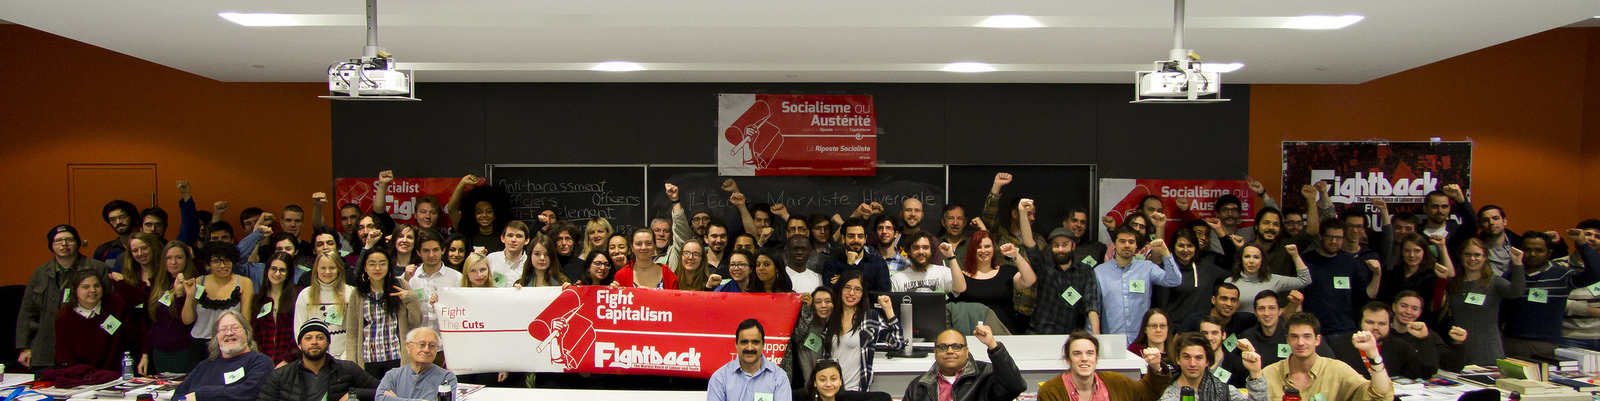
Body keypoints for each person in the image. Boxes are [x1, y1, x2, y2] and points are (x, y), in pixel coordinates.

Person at [19, 225, 111, 371]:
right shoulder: (40, 272)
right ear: (51, 245)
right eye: (58, 241)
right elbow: (27, 311)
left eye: (69, 240)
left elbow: (111, 308)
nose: (64, 244)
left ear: (77, 243)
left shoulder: (97, 268)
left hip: (84, 350)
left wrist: (104, 340)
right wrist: (24, 347)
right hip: (45, 351)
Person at [1502, 230, 1600, 358]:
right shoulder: (1510, 275)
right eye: (1527, 250)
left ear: (1549, 253)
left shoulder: (1562, 276)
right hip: (1510, 341)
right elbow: (1500, 310)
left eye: (1539, 250)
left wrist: (1582, 244)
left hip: (1544, 344)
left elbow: (1595, 274)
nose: (1532, 254)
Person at [1260, 313, 1394, 401]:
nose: (1300, 342)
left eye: (1307, 336)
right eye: (1294, 337)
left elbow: (1380, 395)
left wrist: (1373, 355)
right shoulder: (1269, 373)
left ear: (1317, 340)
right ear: (1288, 340)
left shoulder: (1337, 370)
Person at [1444, 238, 1524, 365]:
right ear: (1461, 256)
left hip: (1488, 351)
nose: (1472, 258)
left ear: (1485, 257)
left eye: (1477, 255)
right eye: (1467, 254)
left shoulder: (1494, 282)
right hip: (1459, 348)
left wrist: (1518, 264)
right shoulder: (1453, 284)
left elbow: (1516, 292)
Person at [1095, 226, 1183, 339]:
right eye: (1122, 241)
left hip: (1140, 339)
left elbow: (1174, 280)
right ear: (1114, 244)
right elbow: (1094, 309)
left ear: (1136, 245)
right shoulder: (1100, 272)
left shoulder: (1147, 268)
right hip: (1112, 339)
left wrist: (1165, 253)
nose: (1127, 245)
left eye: (1131, 242)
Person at [257, 322, 382, 401]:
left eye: (320, 338)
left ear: (328, 344)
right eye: (308, 338)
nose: (314, 342)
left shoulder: (347, 369)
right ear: (299, 345)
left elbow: (383, 390)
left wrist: (354, 394)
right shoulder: (281, 375)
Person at [826, 270, 906, 391]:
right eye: (847, 287)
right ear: (840, 289)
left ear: (863, 293)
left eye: (857, 289)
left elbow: (898, 343)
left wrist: (889, 310)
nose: (851, 293)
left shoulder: (870, 318)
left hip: (856, 390)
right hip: (830, 390)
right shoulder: (830, 317)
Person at [352, 246, 424, 378]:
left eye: (382, 263)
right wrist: (352, 364)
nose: (377, 268)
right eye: (372, 264)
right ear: (365, 267)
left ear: (389, 266)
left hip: (396, 355)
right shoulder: (357, 293)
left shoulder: (400, 285)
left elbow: (415, 322)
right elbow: (352, 333)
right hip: (368, 358)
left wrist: (411, 299)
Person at [902, 324, 1024, 401]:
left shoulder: (986, 375)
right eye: (943, 347)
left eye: (957, 347)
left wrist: (993, 346)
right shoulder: (919, 386)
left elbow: (1015, 387)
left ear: (966, 352)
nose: (950, 351)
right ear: (935, 352)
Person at [1038, 331, 1170, 401]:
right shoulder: (1051, 391)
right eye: (1077, 353)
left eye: (1090, 353)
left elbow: (1147, 393)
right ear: (1068, 359)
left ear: (1096, 359)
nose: (1084, 358)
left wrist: (1155, 367)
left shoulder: (1116, 382)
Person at [174, 311, 276, 401]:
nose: (229, 333)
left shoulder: (260, 362)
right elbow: (179, 393)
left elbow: (249, 392)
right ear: (216, 337)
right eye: (223, 330)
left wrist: (201, 396)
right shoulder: (205, 366)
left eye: (235, 328)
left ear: (247, 333)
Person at [948, 230, 1037, 332]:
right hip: (971, 333)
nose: (983, 250)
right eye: (978, 247)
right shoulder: (961, 278)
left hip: (1003, 333)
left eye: (987, 246)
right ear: (972, 250)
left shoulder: (1006, 272)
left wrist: (1015, 254)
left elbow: (1030, 280)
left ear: (993, 249)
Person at [1297, 219, 1373, 336]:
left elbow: (1361, 296)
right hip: (1314, 329)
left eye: (1338, 238)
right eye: (1330, 237)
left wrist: (1377, 275)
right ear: (1321, 236)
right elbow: (1299, 297)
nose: (1334, 241)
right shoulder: (1306, 261)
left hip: (1345, 329)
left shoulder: (1350, 263)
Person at [186, 241, 257, 367]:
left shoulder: (244, 283)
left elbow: (245, 321)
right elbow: (187, 320)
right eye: (216, 261)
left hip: (230, 343)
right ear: (208, 264)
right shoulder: (199, 282)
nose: (222, 265)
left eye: (227, 260)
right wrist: (189, 296)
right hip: (199, 345)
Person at [1326, 302, 1434, 380]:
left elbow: (1426, 372)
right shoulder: (1340, 344)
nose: (1375, 327)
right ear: (1360, 323)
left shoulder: (1400, 346)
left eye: (1382, 324)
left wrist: (1423, 340)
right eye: (1370, 322)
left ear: (1389, 325)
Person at [1027, 227, 1101, 334]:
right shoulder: (1044, 267)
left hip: (1068, 335)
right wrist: (1023, 216)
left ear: (1073, 246)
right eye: (1056, 245)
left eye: (1065, 245)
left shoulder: (1085, 271)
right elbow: (1030, 244)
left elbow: (1091, 304)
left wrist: (1096, 335)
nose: (1060, 249)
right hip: (1038, 332)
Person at [53, 270, 132, 370]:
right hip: (81, 374)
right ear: (74, 289)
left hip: (115, 373)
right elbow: (64, 354)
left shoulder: (115, 303)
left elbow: (140, 300)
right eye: (86, 287)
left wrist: (123, 284)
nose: (93, 290)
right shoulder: (64, 316)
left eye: (97, 286)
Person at [144, 241, 201, 375]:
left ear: (187, 260)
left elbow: (187, 320)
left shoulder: (195, 284)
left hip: (183, 352)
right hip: (159, 352)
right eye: (168, 258)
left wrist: (180, 294)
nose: (173, 262)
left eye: (179, 257)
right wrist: (145, 354)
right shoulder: (160, 283)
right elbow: (156, 322)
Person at [1155, 228, 1229, 329]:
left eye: (1190, 246)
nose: (1185, 250)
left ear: (1196, 248)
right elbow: (1161, 306)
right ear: (1173, 247)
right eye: (1181, 245)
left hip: (1202, 329)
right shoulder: (1165, 270)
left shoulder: (1208, 269)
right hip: (1174, 329)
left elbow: (1233, 270)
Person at [1159, 333, 1267, 401]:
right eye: (1187, 357)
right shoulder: (1162, 391)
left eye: (1199, 358)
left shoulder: (1225, 392)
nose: (1192, 363)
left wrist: (1255, 372)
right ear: (1178, 359)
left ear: (1207, 361)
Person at [707, 319, 791, 401]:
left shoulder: (779, 378)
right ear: (736, 345)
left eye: (755, 342)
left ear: (763, 345)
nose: (750, 348)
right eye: (744, 342)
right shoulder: (720, 378)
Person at [295, 251, 358, 360]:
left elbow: (355, 331)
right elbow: (299, 330)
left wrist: (345, 358)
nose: (327, 272)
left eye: (332, 268)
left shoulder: (350, 293)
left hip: (345, 358)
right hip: (314, 358)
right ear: (316, 269)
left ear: (339, 269)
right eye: (323, 268)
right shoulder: (305, 295)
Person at [1388, 291, 1465, 372]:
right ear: (1394, 307)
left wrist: (1459, 343)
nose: (1408, 312)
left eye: (1414, 309)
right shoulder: (1382, 332)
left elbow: (1453, 366)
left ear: (1419, 313)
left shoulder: (1427, 335)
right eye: (1403, 306)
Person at [375, 327, 457, 401]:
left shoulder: (446, 378)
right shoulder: (393, 375)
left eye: (432, 346)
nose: (426, 350)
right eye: (422, 345)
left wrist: (395, 399)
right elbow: (379, 398)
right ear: (408, 346)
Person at [1223, 243, 1311, 310]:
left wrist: (1295, 255)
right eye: (1247, 256)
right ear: (1241, 259)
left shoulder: (1273, 280)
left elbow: (1305, 280)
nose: (1251, 261)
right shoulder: (1229, 282)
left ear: (1262, 261)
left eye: (1256, 257)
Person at [404, 230, 460, 331]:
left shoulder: (457, 278)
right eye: (426, 251)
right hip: (418, 336)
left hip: (447, 336)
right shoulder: (410, 278)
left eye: (435, 250)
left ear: (443, 250)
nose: (431, 255)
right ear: (418, 252)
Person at [782, 288, 835, 392]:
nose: (823, 305)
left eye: (828, 301)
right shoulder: (806, 326)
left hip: (834, 385)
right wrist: (806, 309)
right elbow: (797, 337)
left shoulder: (839, 327)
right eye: (818, 302)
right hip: (809, 388)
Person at [253, 252, 301, 365]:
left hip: (292, 361)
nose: (277, 273)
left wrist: (286, 360)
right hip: (265, 361)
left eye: (282, 270)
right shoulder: (259, 299)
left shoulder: (298, 295)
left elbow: (299, 332)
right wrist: (262, 359)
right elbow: (255, 333)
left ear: (289, 272)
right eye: (273, 269)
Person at [821, 218, 892, 293]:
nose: (856, 240)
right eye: (851, 236)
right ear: (843, 238)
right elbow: (832, 292)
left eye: (860, 236)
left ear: (865, 239)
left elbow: (883, 293)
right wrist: (849, 265)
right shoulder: (832, 263)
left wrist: (842, 279)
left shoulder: (878, 263)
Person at [891, 231, 958, 293]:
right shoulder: (897, 279)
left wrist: (951, 256)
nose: (921, 252)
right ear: (909, 251)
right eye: (916, 248)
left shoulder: (943, 273)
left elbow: (960, 289)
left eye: (925, 247)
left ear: (931, 251)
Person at [615, 229, 680, 289]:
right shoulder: (621, 275)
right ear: (632, 247)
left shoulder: (668, 276)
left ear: (654, 246)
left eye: (648, 243)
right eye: (638, 244)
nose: (643, 247)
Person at [1180, 283, 1254, 335]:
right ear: (1214, 300)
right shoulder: (1194, 321)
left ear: (1238, 303)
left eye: (1233, 300)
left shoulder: (1246, 320)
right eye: (1224, 298)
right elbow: (1176, 345)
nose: (1229, 304)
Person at [808, 360, 891, 401]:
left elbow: (884, 397)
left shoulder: (846, 397)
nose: (828, 384)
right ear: (815, 382)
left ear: (840, 381)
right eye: (822, 380)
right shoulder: (804, 397)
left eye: (833, 379)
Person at [94, 200, 139, 266]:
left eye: (122, 217)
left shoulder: (147, 246)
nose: (118, 222)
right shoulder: (103, 251)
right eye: (113, 219)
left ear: (132, 217)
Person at [485, 221, 530, 287]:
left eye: (518, 236)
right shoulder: (491, 259)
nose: (513, 240)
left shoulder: (530, 263)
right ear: (502, 238)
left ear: (526, 240)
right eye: (510, 236)